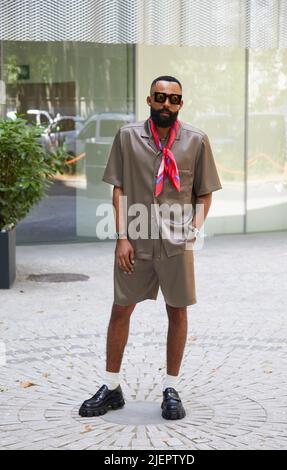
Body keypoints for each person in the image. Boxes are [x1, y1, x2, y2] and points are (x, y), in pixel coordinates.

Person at [79, 75, 222, 420]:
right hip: (136, 242)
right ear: (149, 99)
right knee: (120, 309)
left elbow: (204, 194)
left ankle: (171, 387)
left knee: (178, 311)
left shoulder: (196, 141)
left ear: (181, 104)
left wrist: (191, 231)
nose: (166, 104)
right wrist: (122, 237)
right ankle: (111, 386)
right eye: (160, 97)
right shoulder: (128, 137)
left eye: (173, 99)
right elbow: (118, 189)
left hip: (176, 245)